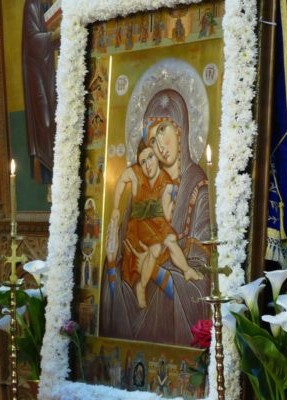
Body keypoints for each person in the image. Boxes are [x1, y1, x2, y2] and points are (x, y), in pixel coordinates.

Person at [100, 89, 211, 345]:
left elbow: (202, 289)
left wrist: (157, 274)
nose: (159, 145)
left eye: (163, 130)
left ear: (180, 129)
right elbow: (121, 284)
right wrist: (112, 264)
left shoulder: (198, 191)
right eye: (151, 140)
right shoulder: (140, 195)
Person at [111, 140, 202, 308]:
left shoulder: (166, 181)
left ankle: (187, 270)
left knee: (171, 240)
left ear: (157, 157)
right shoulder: (136, 174)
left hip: (158, 223)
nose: (147, 165)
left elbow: (166, 214)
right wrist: (116, 207)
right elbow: (121, 181)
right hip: (139, 224)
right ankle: (141, 286)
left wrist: (177, 202)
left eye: (150, 157)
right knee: (155, 248)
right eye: (143, 161)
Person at [22, 0, 60, 184]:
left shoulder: (55, 4)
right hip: (38, 73)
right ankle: (48, 178)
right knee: (45, 121)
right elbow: (32, 41)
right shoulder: (32, 5)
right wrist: (53, 35)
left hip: (55, 71)